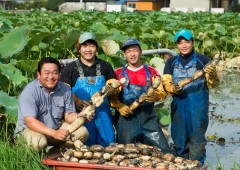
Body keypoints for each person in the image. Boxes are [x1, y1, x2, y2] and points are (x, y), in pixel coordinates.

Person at [162, 29, 220, 163]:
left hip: (197, 106)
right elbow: (166, 82)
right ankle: (181, 161)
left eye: (187, 42)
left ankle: (197, 162)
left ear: (192, 42)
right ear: (176, 45)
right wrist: (171, 88)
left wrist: (212, 74)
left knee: (197, 135)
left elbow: (214, 84)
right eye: (180, 42)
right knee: (179, 134)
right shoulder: (170, 62)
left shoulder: (203, 60)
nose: (184, 45)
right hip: (179, 105)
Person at [109, 38, 173, 154]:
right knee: (125, 154)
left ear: (140, 52)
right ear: (124, 54)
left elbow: (162, 93)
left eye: (135, 50)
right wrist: (119, 106)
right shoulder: (118, 73)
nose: (132, 54)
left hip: (149, 120)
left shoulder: (151, 71)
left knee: (163, 151)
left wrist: (155, 96)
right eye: (128, 51)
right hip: (126, 121)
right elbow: (111, 97)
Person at [14, 57, 90, 150]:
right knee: (39, 142)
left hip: (55, 129)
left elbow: (69, 115)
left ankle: (58, 153)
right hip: (31, 130)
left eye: (55, 73)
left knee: (82, 132)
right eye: (47, 73)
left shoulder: (65, 89)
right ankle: (32, 159)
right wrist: (54, 133)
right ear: (38, 74)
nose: (51, 76)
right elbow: (30, 122)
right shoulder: (30, 91)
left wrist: (80, 116)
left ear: (59, 74)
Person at [60, 32, 116, 147]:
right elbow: (63, 92)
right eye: (85, 46)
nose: (88, 49)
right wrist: (76, 101)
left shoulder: (106, 66)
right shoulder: (69, 69)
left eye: (92, 45)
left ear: (96, 48)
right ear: (79, 48)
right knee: (84, 144)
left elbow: (114, 87)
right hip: (82, 114)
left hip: (103, 113)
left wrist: (112, 91)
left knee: (109, 143)